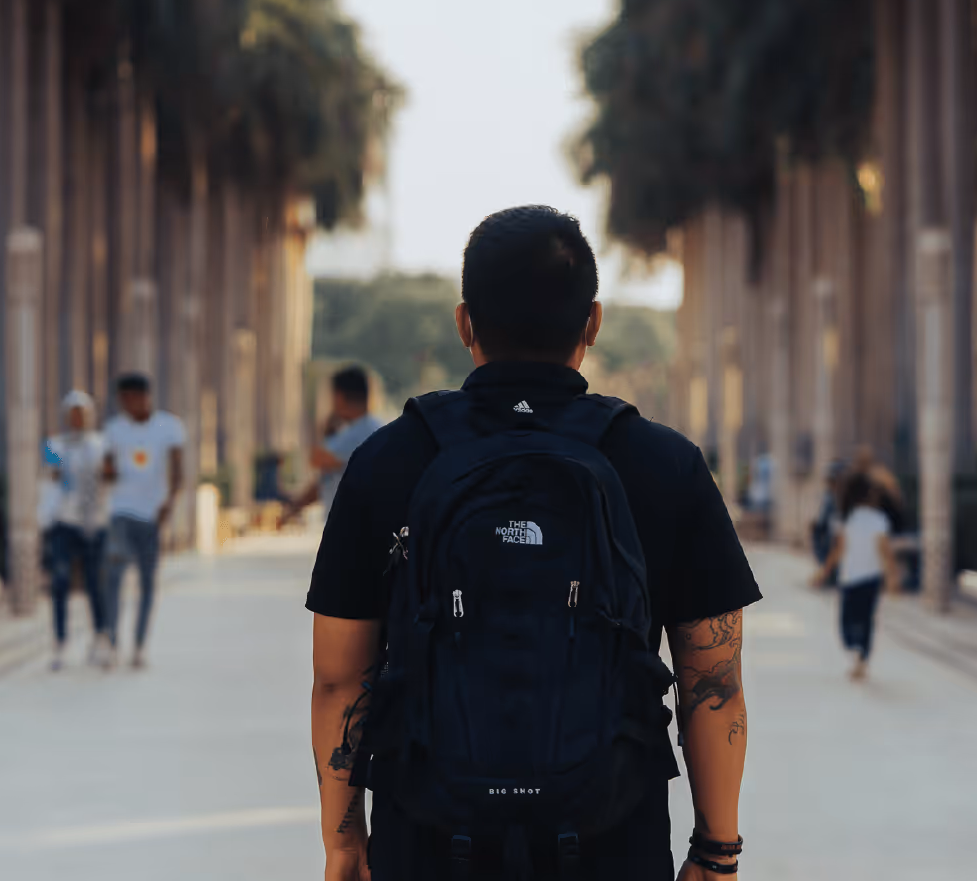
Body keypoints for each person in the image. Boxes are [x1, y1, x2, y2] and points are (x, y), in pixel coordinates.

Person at [307, 206, 762, 881]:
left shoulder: (389, 460)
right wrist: (716, 852)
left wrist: (345, 845)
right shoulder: (665, 465)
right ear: (593, 322)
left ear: (464, 323)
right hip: (611, 844)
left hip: (428, 846)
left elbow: (340, 677)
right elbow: (712, 681)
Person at [102, 374, 185, 670]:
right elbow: (106, 469)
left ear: (144, 397)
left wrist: (170, 503)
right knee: (113, 575)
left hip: (151, 515)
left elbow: (178, 470)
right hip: (120, 512)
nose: (126, 406)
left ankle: (138, 646)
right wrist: (107, 471)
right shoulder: (113, 429)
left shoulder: (169, 427)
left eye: (130, 399)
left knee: (148, 583)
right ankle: (111, 640)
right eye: (122, 401)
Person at [42, 391, 109, 671]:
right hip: (63, 522)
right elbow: (50, 480)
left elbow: (109, 480)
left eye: (81, 413)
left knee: (95, 583)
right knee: (59, 582)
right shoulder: (54, 445)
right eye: (72, 413)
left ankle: (101, 638)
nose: (77, 419)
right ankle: (60, 642)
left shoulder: (101, 445)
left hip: (95, 523)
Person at [814, 471, 900, 681]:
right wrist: (824, 572)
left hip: (862, 577)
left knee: (856, 619)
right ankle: (859, 652)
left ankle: (861, 658)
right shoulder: (850, 519)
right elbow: (844, 548)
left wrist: (824, 572)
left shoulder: (873, 519)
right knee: (860, 620)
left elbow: (880, 549)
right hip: (859, 577)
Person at [284, 366, 383, 524]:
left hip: (350, 526)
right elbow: (325, 480)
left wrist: (327, 427)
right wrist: (295, 507)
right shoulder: (377, 428)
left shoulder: (356, 433)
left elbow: (316, 459)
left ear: (339, 396)